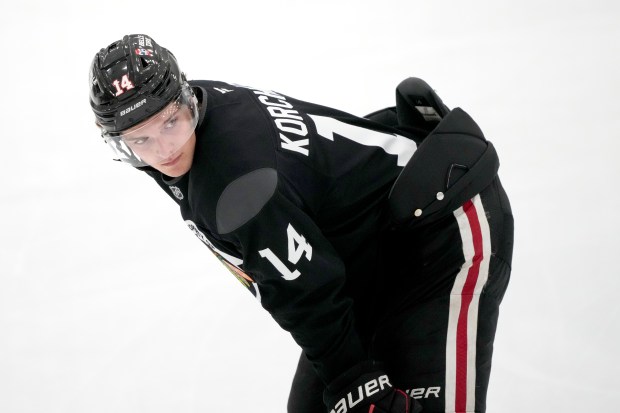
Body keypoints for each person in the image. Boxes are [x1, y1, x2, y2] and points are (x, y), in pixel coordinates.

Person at [89, 34, 513, 413]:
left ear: (185, 100)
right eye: (139, 140)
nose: (164, 150)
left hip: (442, 227)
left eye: (170, 123)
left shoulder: (236, 186)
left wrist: (355, 382)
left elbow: (306, 290)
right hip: (372, 249)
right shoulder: (204, 111)